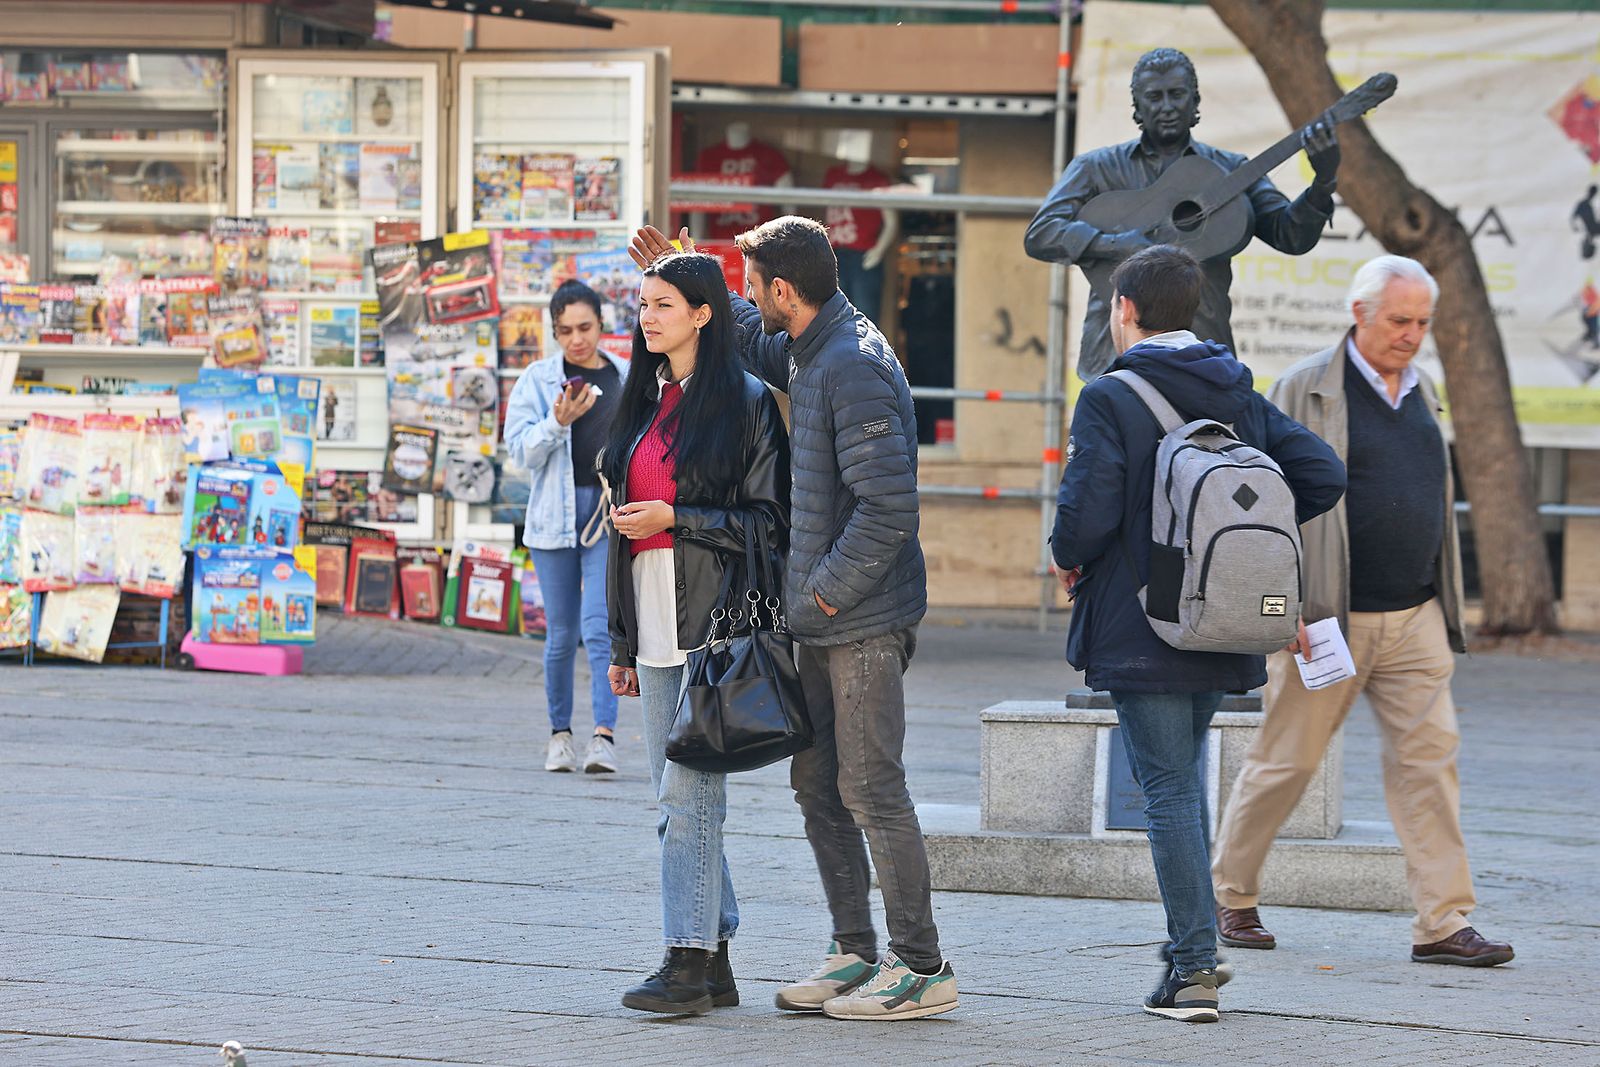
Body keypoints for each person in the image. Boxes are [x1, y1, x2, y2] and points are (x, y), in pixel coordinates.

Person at [629, 216, 958, 1021]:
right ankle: (854, 952)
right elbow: (747, 337)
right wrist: (695, 272)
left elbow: (888, 510)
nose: (745, 297)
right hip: (820, 619)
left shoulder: (852, 366)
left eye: (750, 283)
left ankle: (922, 966)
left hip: (858, 618)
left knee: (872, 787)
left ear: (784, 289)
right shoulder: (809, 344)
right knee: (819, 788)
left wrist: (819, 598)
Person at [1051, 244, 1344, 1023]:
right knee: (1180, 782)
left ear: (1125, 311)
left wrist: (1064, 556)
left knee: (1169, 788)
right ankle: (1195, 954)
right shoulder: (1235, 389)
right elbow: (1320, 474)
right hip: (1219, 618)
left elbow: (1085, 516)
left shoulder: (1109, 396)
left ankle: (1192, 967)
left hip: (1142, 618)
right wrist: (1242, 545)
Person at [1211, 255, 1515, 969]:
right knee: (1287, 761)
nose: (1412, 335)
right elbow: (1261, 507)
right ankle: (1231, 891)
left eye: (1422, 323)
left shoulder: (1423, 390)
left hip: (1415, 617)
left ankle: (1442, 921)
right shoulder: (1303, 387)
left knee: (1430, 763)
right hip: (1326, 619)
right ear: (1360, 314)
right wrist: (1276, 608)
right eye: (1399, 321)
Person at [600, 252, 790, 1014]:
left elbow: (768, 524)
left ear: (705, 314)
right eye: (643, 304)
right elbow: (620, 534)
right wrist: (620, 644)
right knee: (673, 800)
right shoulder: (643, 398)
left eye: (665, 304)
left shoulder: (744, 402)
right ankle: (715, 953)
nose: (648, 317)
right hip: (649, 618)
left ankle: (688, 958)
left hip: (711, 620)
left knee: (689, 799)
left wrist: (679, 517)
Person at [1024, 46, 1341, 382]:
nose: (1167, 107)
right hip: (1114, 357)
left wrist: (1323, 183)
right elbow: (1041, 234)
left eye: (1176, 94)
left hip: (1203, 354)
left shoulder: (1230, 170)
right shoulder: (1096, 168)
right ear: (1137, 107)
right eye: (1154, 97)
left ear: (1195, 101)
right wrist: (1115, 244)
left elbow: (1290, 236)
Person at [504, 279, 630, 774]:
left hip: (605, 515)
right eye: (565, 331)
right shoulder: (537, 380)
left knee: (600, 630)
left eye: (584, 327)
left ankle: (604, 737)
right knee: (560, 635)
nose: (576, 339)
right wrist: (557, 422)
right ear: (554, 333)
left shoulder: (625, 375)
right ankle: (560, 734)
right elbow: (521, 454)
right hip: (552, 517)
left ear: (601, 324)